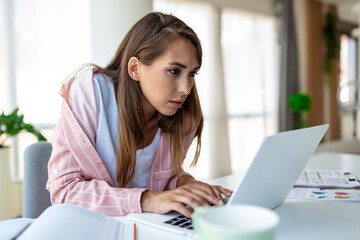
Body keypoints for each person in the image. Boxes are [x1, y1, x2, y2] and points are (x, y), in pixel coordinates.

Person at [46, 12, 232, 218]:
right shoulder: (90, 93)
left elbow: (160, 180)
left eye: (192, 74)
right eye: (173, 71)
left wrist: (184, 183)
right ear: (135, 68)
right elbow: (64, 192)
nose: (186, 89)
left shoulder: (184, 115)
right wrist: (146, 199)